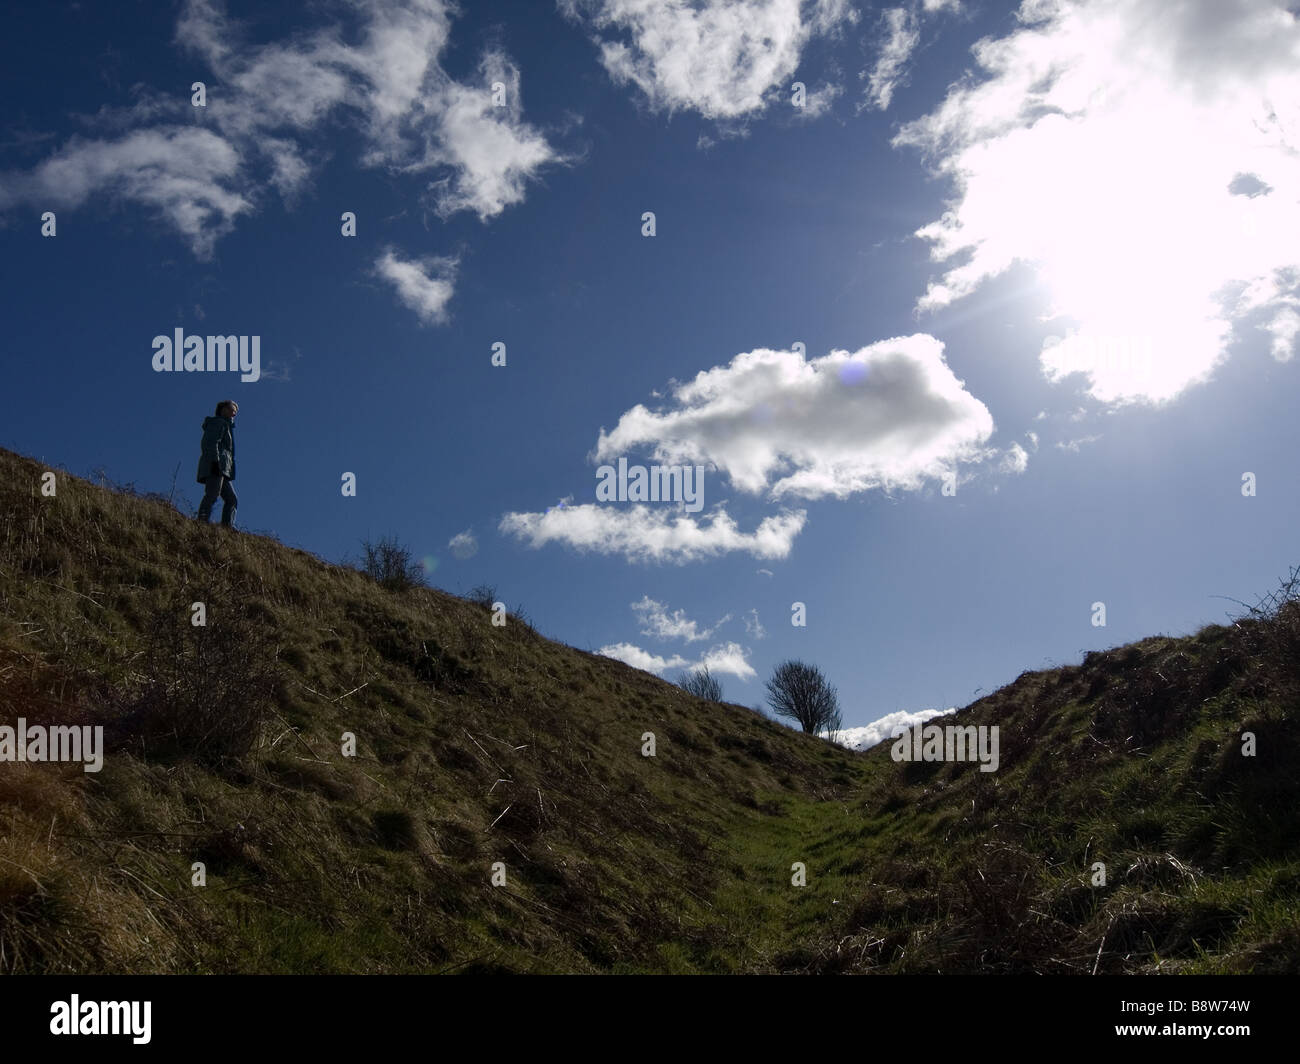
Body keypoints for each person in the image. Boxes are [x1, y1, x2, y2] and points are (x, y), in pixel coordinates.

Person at [196, 400, 238, 527]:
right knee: (212, 494)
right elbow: (210, 443)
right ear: (223, 409)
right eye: (232, 409)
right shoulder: (218, 423)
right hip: (216, 465)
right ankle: (202, 520)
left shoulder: (226, 426)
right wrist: (215, 462)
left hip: (223, 468)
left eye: (235, 412)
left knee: (231, 499)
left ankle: (227, 526)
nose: (234, 413)